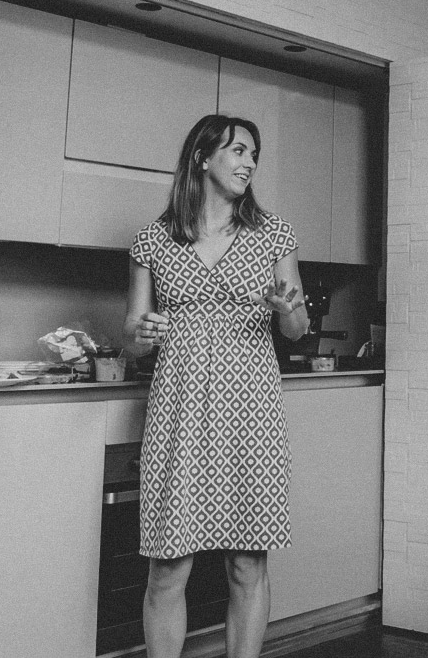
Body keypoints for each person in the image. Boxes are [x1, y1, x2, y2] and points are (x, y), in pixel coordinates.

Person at [124, 114, 311, 658]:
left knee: (246, 563)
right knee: (167, 567)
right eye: (237, 151)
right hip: (178, 410)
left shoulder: (274, 233)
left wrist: (287, 310)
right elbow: (132, 337)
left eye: (254, 154)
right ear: (203, 159)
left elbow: (296, 330)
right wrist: (142, 332)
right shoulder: (154, 241)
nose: (249, 162)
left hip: (251, 412)